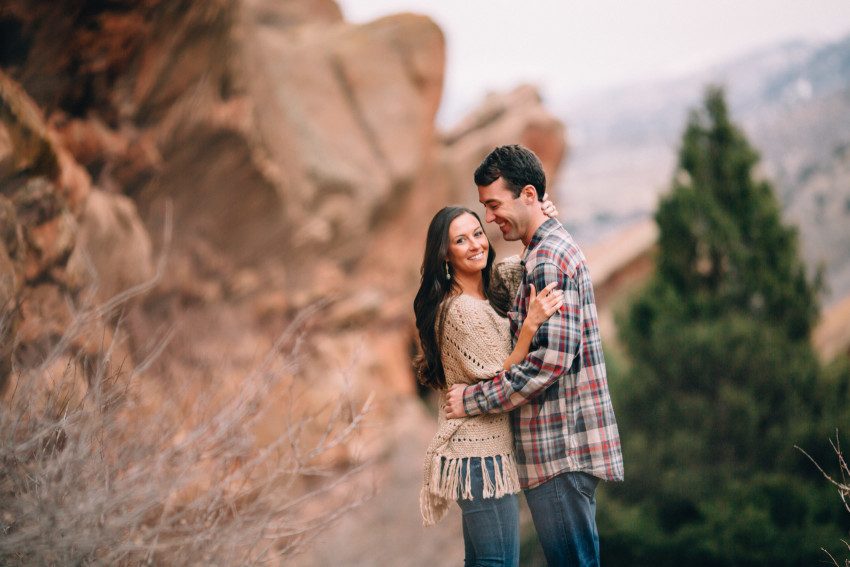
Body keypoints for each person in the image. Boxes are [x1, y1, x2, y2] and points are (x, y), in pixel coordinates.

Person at [445, 144, 624, 567]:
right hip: (557, 452)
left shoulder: (548, 259)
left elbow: (548, 363)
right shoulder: (543, 252)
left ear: (527, 195)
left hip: (558, 452)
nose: (489, 218)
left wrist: (472, 400)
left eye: (493, 204)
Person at [415, 204, 562, 567]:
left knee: (484, 561)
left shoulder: (488, 289)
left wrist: (546, 217)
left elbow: (532, 260)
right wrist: (529, 327)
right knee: (499, 562)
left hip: (482, 454)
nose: (474, 244)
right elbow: (503, 381)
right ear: (445, 254)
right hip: (478, 456)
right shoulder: (461, 310)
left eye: (477, 233)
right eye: (460, 240)